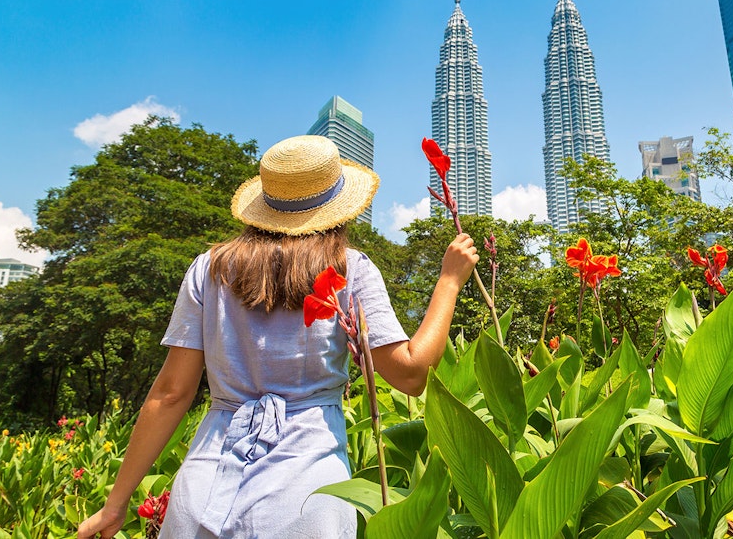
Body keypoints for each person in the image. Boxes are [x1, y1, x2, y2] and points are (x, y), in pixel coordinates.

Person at [77, 135, 479, 538]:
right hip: (306, 493)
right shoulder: (349, 269)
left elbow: (170, 394)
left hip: (204, 488)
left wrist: (116, 505)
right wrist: (448, 282)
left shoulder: (208, 269)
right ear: (338, 207)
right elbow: (410, 374)